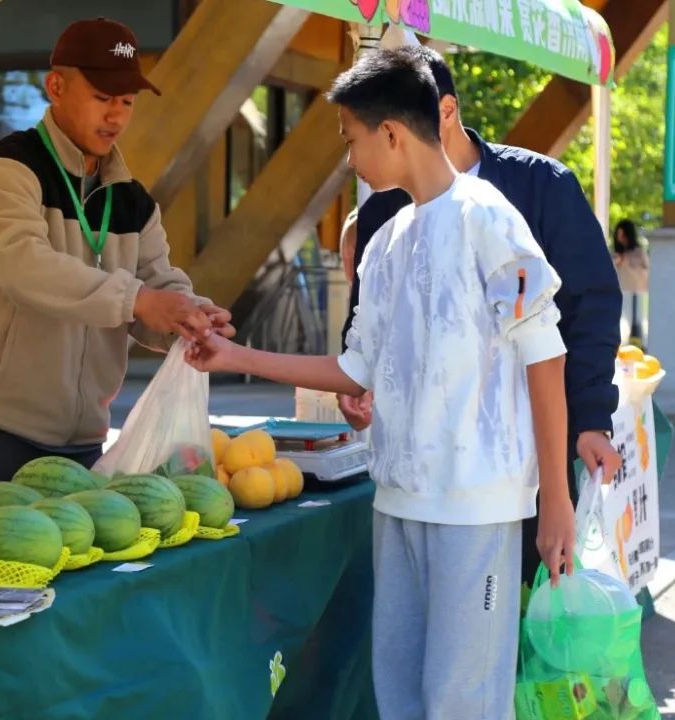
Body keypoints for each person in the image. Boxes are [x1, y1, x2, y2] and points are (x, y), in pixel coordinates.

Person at [186, 48, 573, 719]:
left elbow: (547, 358)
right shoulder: (385, 242)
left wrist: (558, 503)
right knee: (397, 690)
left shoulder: (491, 220)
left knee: (463, 701)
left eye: (350, 140)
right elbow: (355, 367)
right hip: (396, 500)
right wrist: (232, 356)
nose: (349, 158)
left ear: (391, 133)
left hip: (477, 508)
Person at [0, 18, 233, 505]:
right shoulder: (6, 172)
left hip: (79, 446)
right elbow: (26, 267)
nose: (117, 116)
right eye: (103, 97)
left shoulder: (133, 201)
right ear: (55, 86)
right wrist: (139, 300)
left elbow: (157, 281)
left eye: (127, 102)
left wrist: (190, 317)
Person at [338, 45, 622, 587]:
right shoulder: (382, 210)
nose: (356, 158)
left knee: (514, 618)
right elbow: (365, 333)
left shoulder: (539, 187)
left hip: (513, 466)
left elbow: (588, 310)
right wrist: (356, 387)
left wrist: (591, 418)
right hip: (418, 480)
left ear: (444, 111)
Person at [612, 218, 649, 342]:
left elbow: (646, 270)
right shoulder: (617, 255)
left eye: (623, 234)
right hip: (623, 291)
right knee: (624, 323)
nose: (620, 237)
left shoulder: (639, 252)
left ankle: (643, 345)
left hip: (639, 291)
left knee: (641, 322)